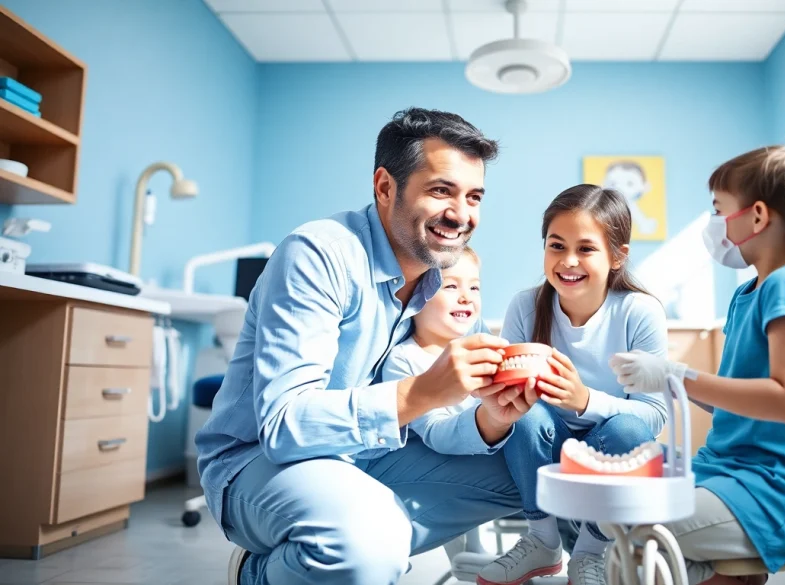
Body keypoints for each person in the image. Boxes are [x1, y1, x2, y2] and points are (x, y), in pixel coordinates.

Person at [194, 108, 538, 585]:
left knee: (529, 471)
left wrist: (491, 417)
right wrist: (422, 392)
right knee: (368, 542)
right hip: (256, 460)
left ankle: (331, 553)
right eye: (441, 190)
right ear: (385, 187)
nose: (461, 214)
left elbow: (438, 420)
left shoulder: (435, 278)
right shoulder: (317, 255)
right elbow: (282, 426)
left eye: (473, 196)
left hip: (359, 455)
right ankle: (272, 572)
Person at [610, 146, 785, 585]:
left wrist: (679, 375)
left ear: (757, 216)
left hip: (783, 491)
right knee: (622, 504)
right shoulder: (749, 295)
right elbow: (739, 406)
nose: (713, 223)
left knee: (642, 528)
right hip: (734, 473)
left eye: (718, 209)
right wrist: (670, 383)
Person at [477, 185, 669, 585]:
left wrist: (585, 401)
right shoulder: (526, 307)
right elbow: (507, 403)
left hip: (613, 451)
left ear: (618, 256)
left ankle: (590, 550)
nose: (568, 261)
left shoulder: (639, 311)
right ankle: (542, 540)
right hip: (544, 448)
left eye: (586, 249)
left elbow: (653, 417)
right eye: (556, 245)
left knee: (627, 427)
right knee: (523, 415)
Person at [381, 247, 537, 456]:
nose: (466, 297)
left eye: (474, 288)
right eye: (451, 286)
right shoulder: (403, 360)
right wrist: (492, 420)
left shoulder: (486, 348)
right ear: (414, 295)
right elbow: (435, 432)